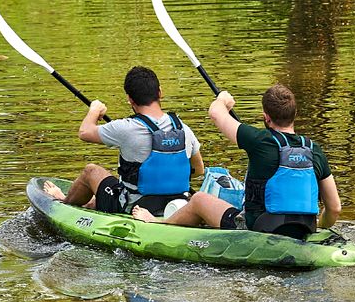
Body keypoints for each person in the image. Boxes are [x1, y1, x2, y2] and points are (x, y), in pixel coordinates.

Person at [133, 83, 341, 238]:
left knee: (199, 200)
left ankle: (156, 223)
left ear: (266, 117)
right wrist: (319, 228)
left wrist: (223, 99)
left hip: (260, 228)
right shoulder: (314, 150)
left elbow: (216, 114)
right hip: (305, 228)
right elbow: (334, 208)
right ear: (294, 115)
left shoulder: (260, 140)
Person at [42, 66, 205, 216]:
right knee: (118, 184)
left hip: (135, 207)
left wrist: (94, 110)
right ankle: (93, 202)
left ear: (130, 100)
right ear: (160, 92)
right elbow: (198, 170)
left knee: (91, 171)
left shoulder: (125, 128)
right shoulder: (183, 129)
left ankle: (63, 202)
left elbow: (85, 132)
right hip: (178, 205)